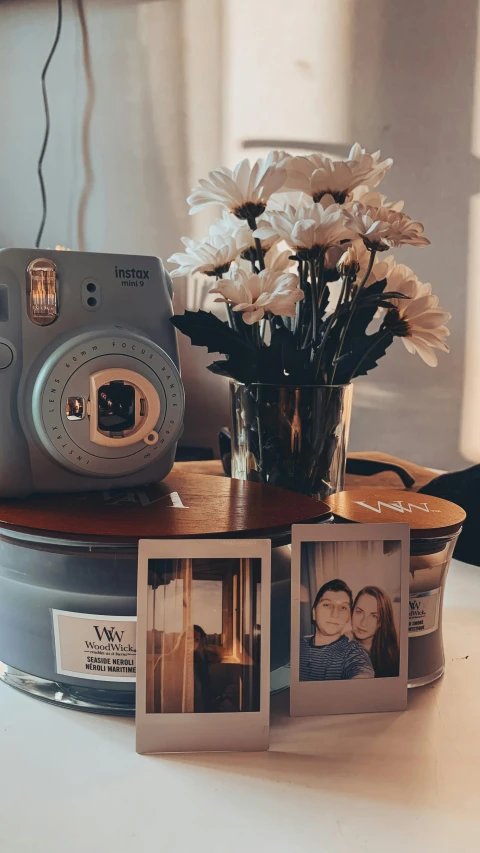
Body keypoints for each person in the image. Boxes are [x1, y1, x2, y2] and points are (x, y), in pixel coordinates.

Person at [300, 579, 374, 681]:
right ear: (314, 613)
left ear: (348, 617)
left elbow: (362, 673)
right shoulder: (296, 645)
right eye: (327, 605)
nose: (335, 614)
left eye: (343, 607)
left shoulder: (353, 653)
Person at [351, 586, 400, 678]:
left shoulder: (391, 661)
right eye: (359, 612)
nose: (363, 623)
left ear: (381, 622)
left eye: (374, 616)